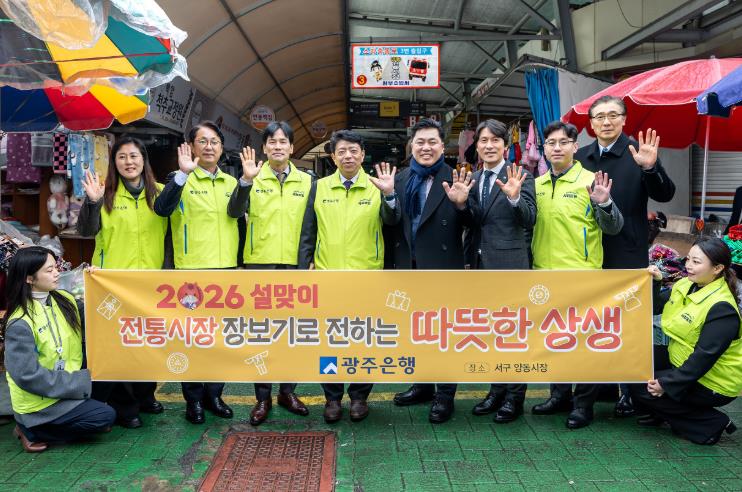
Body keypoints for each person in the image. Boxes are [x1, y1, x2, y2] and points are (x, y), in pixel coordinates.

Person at [575, 95, 676, 417]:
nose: (606, 121)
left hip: (627, 252)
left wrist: (651, 168)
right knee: (593, 321)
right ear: (591, 124)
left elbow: (665, 194)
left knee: (628, 323)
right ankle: (600, 387)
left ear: (624, 119)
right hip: (587, 254)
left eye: (613, 115)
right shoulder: (580, 157)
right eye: (599, 116)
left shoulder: (638, 152)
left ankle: (631, 392)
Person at [528, 121, 624, 429]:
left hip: (582, 276)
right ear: (544, 149)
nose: (557, 148)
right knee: (554, 340)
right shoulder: (536, 184)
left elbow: (614, 227)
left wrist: (605, 203)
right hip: (544, 276)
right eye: (551, 143)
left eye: (563, 142)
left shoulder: (591, 182)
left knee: (583, 344)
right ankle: (559, 396)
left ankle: (583, 405)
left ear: (575, 146)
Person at [298, 129, 397, 423]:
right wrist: (304, 270)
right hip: (328, 278)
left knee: (365, 340)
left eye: (354, 151)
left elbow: (393, 222)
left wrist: (389, 195)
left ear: (363, 155)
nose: (348, 156)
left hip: (367, 278)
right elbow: (308, 232)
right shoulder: (319, 187)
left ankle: (359, 397)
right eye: (341, 151)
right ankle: (332, 397)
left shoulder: (377, 185)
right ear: (333, 156)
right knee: (329, 341)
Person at [387, 118, 476, 424]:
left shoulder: (457, 177)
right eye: (420, 142)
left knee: (443, 333)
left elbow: (474, 223)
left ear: (442, 145)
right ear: (411, 146)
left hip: (442, 268)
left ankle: (444, 394)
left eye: (432, 142)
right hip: (407, 268)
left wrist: (462, 205)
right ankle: (422, 385)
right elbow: (390, 225)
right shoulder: (399, 179)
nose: (426, 148)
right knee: (414, 330)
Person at [77, 136, 167, 428]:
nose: (129, 162)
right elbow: (85, 231)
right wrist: (92, 202)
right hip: (112, 285)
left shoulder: (160, 194)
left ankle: (145, 395)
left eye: (134, 156)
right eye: (122, 157)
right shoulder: (105, 195)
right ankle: (125, 406)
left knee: (148, 341)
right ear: (114, 163)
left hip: (150, 283)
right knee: (118, 345)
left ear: (144, 159)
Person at [227, 121, 310, 426]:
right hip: (260, 266)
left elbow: (314, 225)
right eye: (272, 142)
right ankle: (262, 397)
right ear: (264, 148)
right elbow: (234, 212)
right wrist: (245, 181)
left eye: (283, 141)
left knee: (293, 334)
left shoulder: (307, 182)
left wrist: (310, 260)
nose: (277, 146)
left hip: (295, 267)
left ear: (291, 147)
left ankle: (288, 392)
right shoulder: (252, 177)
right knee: (261, 334)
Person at [154, 121, 237, 424]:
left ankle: (214, 395)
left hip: (226, 270)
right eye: (202, 141)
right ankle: (194, 400)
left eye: (214, 141)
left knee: (219, 339)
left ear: (222, 148)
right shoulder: (178, 178)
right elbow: (162, 209)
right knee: (191, 338)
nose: (209, 147)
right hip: (190, 272)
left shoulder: (232, 183)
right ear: (191, 147)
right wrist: (182, 174)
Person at [3, 247, 115, 452]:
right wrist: (79, 382)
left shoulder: (63, 299)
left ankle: (72, 413)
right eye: (49, 270)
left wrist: (99, 283)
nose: (57, 273)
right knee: (104, 417)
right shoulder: (20, 322)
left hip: (65, 384)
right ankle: (30, 429)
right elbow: (28, 376)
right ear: (29, 278)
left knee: (108, 368)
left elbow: (102, 313)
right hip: (41, 403)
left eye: (56, 268)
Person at [631, 237, 740, 445]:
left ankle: (711, 423)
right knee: (634, 360)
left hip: (714, 380)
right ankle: (663, 411)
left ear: (717, 268)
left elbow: (703, 358)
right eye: (688, 259)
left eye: (696, 262)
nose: (688, 265)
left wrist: (666, 384)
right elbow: (655, 306)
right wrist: (656, 282)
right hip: (681, 357)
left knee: (641, 385)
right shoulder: (686, 284)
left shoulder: (722, 308)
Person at [465, 119, 536, 423]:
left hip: (510, 266)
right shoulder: (473, 178)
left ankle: (514, 398)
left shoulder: (520, 176)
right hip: (479, 265)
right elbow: (473, 222)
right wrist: (460, 204)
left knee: (513, 333)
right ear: (477, 146)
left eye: (495, 140)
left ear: (506, 146)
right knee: (490, 332)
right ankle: (496, 390)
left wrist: (514, 197)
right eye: (483, 140)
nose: (489, 145)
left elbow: (530, 218)